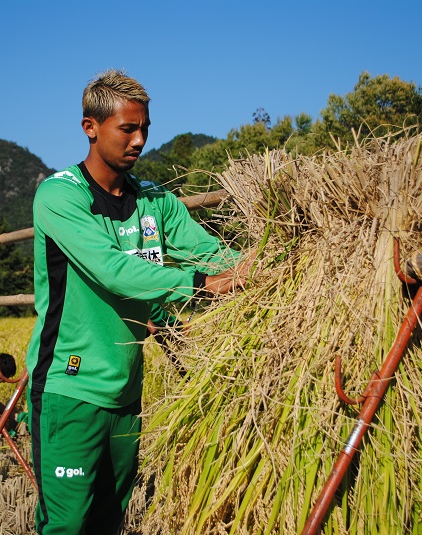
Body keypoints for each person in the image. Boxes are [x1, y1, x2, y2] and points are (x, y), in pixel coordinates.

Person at [25, 69, 251, 534]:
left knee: (111, 520)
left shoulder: (155, 202)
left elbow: (210, 251)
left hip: (127, 394)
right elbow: (114, 270)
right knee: (67, 526)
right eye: (127, 128)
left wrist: (265, 263)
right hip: (71, 389)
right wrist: (203, 283)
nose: (139, 140)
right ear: (91, 127)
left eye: (145, 128)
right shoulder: (60, 196)